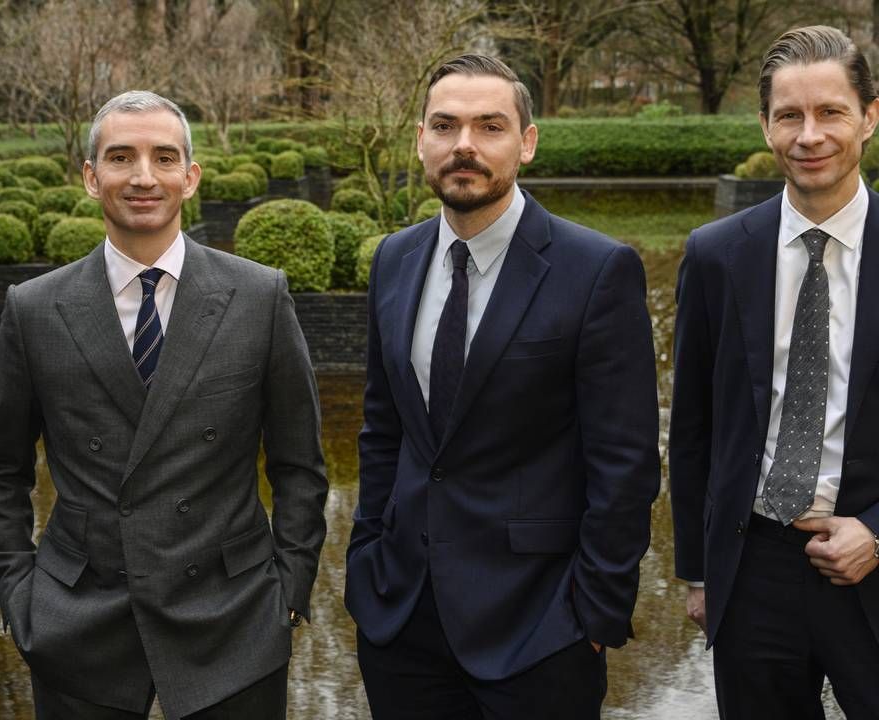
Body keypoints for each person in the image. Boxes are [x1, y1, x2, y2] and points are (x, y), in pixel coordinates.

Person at [0, 90, 328, 720]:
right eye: (120, 157)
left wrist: (289, 589)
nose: (142, 177)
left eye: (164, 158)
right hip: (80, 620)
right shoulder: (33, 308)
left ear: (190, 178)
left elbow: (299, 463)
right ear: (90, 177)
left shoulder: (259, 296)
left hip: (233, 617)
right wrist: (19, 595)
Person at [344, 54, 661, 719]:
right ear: (420, 140)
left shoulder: (597, 271)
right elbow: (383, 429)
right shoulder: (393, 260)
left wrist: (596, 611)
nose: (464, 145)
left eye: (489, 126)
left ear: (527, 141)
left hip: (540, 627)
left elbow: (625, 463)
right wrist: (365, 562)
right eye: (445, 125)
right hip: (401, 617)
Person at [670, 25, 879, 719]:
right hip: (754, 566)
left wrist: (877, 529)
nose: (808, 134)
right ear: (765, 125)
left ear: (870, 117)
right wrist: (698, 573)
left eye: (831, 112)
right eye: (789, 115)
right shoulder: (715, 254)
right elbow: (694, 425)